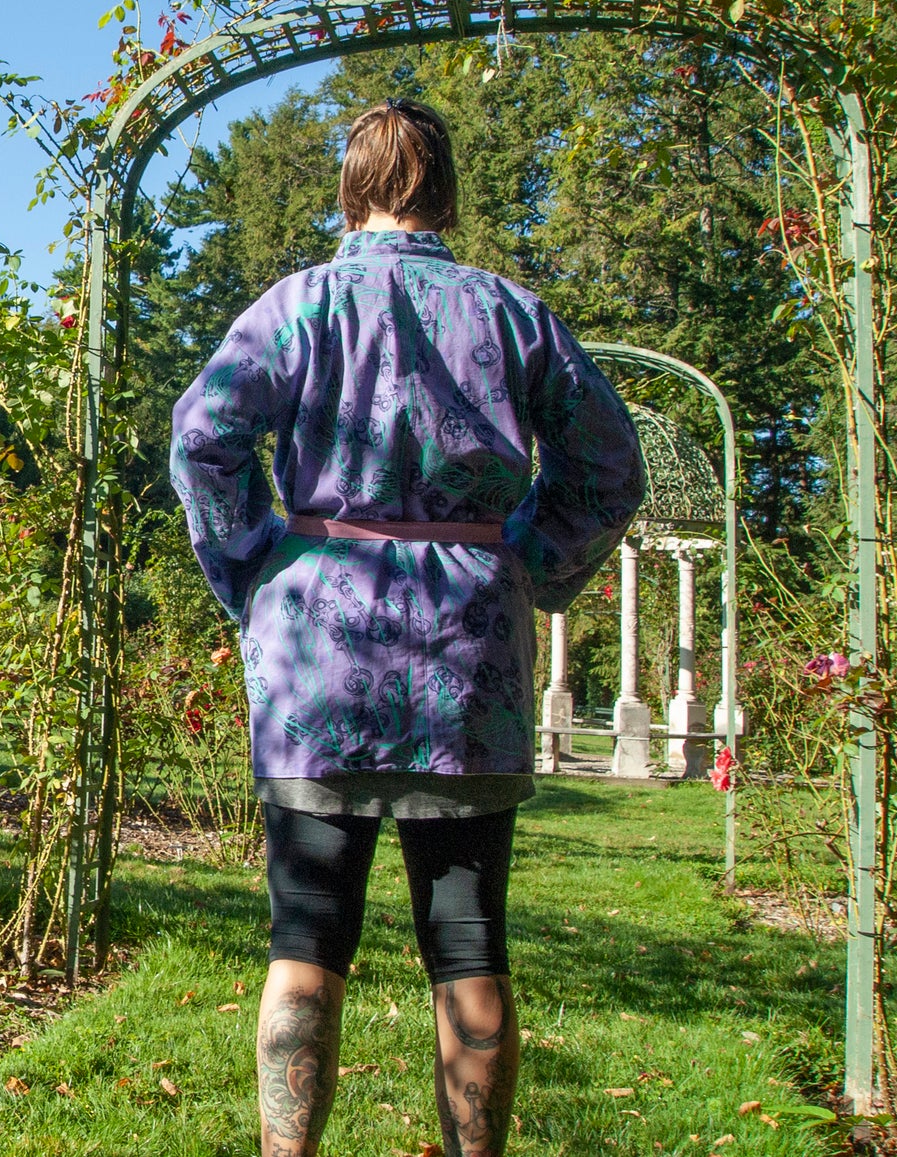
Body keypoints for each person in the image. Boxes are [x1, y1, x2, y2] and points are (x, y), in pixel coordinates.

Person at [169, 98, 646, 1157]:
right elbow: (610, 467)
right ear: (445, 190)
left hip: (314, 657)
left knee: (304, 934)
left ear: (349, 187)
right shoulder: (509, 312)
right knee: (470, 941)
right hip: (466, 654)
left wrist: (252, 565)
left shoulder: (293, 306)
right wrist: (529, 560)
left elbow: (203, 436)